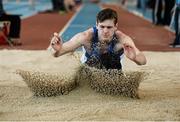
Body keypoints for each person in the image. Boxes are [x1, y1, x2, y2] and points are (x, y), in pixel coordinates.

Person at [48, 8, 147, 70]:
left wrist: (135, 59)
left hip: (113, 71)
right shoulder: (85, 37)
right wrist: (56, 49)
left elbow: (143, 61)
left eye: (109, 27)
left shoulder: (122, 39)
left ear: (116, 26)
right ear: (96, 24)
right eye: (102, 27)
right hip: (90, 70)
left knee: (111, 61)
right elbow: (57, 54)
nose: (105, 31)